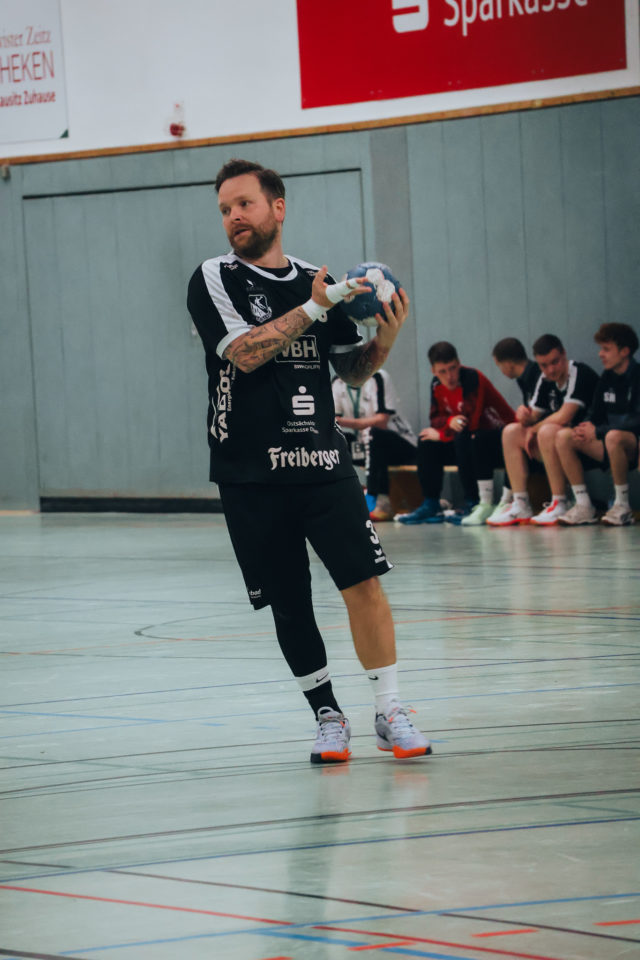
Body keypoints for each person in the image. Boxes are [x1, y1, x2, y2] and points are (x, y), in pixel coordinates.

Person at [187, 158, 431, 764]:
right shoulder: (214, 277)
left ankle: (390, 709)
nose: (234, 216)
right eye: (225, 209)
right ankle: (327, 715)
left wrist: (385, 340)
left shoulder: (313, 279)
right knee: (289, 600)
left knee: (363, 583)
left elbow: (350, 371)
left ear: (278, 207)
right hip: (249, 473)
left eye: (244, 204)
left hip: (323, 462)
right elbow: (245, 353)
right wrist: (319, 306)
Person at [396, 341, 515, 526]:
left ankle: (473, 503)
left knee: (463, 437)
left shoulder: (472, 378)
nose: (449, 376)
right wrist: (448, 423)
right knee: (426, 440)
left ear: (459, 363)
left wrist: (443, 434)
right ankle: (431, 503)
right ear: (433, 371)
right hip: (465, 443)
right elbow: (435, 419)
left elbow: (472, 423)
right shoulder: (436, 384)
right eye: (442, 371)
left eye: (452, 368)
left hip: (493, 443)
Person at [487, 334, 599, 526]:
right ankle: (520, 503)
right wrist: (524, 416)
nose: (550, 370)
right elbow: (533, 415)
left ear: (564, 354)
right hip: (560, 445)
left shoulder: (579, 372)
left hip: (588, 442)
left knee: (547, 431)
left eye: (555, 362)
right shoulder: (545, 378)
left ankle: (560, 502)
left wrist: (534, 428)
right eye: (544, 365)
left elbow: (564, 416)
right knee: (511, 432)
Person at [553, 323, 640, 526]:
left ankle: (622, 505)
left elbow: (636, 421)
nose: (601, 354)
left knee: (613, 436)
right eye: (601, 349)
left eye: (606, 349)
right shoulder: (606, 378)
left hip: (632, 444)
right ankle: (583, 505)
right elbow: (595, 413)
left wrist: (599, 430)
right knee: (564, 436)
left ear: (625, 351)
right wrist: (584, 427)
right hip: (608, 442)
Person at [332, 370, 418, 522]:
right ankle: (345, 495)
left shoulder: (378, 376)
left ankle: (378, 500)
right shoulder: (337, 381)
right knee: (335, 439)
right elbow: (333, 421)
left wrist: (343, 421)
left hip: (401, 445)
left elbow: (382, 421)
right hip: (368, 446)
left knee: (374, 433)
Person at [489, 336, 546, 524]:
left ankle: (509, 499)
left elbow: (549, 411)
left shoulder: (537, 374)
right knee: (509, 432)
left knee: (509, 433)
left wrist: (532, 424)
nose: (501, 371)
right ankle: (516, 501)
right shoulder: (524, 378)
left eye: (499, 366)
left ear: (508, 364)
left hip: (551, 433)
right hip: (539, 432)